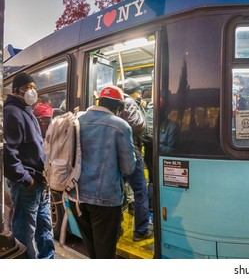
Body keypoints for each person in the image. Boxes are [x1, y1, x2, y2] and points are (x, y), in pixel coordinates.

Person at [68, 85, 136, 258]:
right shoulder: (120, 126)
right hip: (105, 199)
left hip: (76, 197)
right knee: (105, 252)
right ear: (118, 107)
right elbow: (129, 167)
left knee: (92, 250)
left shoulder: (76, 121)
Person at [3, 72, 55, 259]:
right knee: (25, 231)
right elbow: (10, 153)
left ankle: (47, 259)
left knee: (45, 226)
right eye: (28, 87)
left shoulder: (27, 110)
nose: (32, 91)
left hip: (40, 183)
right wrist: (26, 179)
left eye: (34, 87)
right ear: (16, 90)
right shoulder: (12, 112)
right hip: (28, 185)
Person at [120, 78, 153, 241]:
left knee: (121, 190)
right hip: (133, 153)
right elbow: (139, 126)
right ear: (138, 92)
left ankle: (117, 227)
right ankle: (141, 231)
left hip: (121, 153)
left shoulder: (118, 102)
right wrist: (141, 109)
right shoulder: (130, 102)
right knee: (141, 191)